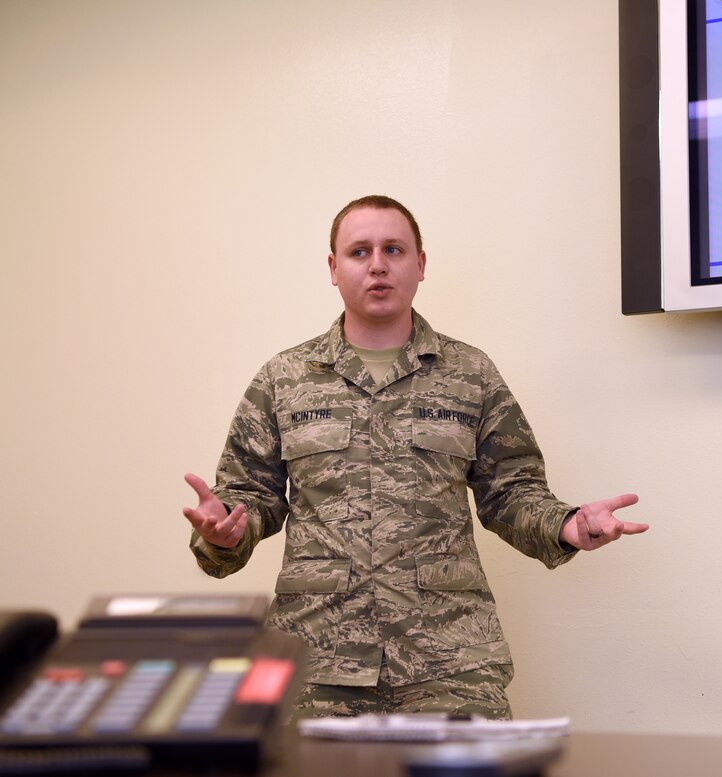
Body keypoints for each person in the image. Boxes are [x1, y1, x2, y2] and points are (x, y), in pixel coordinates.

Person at [183, 195, 648, 719]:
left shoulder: (471, 373)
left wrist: (566, 524)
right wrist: (224, 531)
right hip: (316, 659)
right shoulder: (283, 378)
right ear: (334, 269)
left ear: (420, 264)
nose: (377, 265)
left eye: (394, 249)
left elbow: (511, 490)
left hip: (449, 659)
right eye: (359, 251)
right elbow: (250, 495)